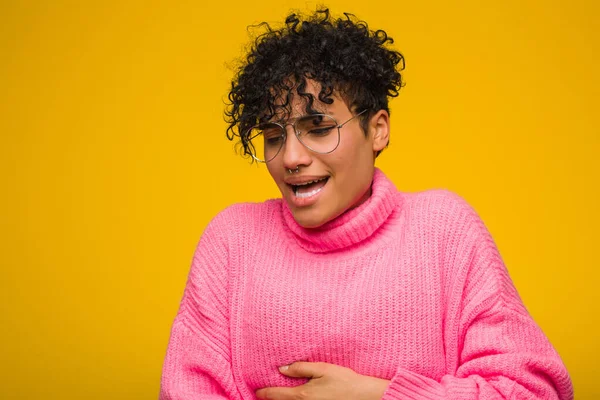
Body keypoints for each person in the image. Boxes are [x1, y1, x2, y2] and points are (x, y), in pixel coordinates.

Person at [159, 8, 573, 400]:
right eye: (273, 136)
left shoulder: (444, 231)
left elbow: (534, 392)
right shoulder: (233, 242)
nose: (290, 158)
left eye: (318, 129)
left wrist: (379, 394)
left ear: (377, 131)